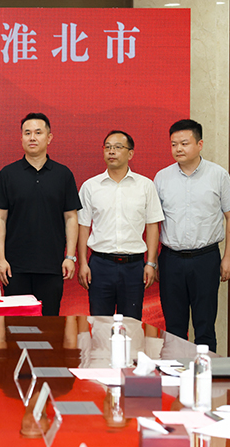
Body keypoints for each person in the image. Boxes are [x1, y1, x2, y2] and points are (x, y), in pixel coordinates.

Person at [154, 119, 230, 352]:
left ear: (199, 144)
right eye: (173, 144)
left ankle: (206, 372)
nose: (178, 149)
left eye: (184, 143)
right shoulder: (162, 177)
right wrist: (153, 261)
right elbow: (153, 222)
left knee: (205, 326)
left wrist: (228, 257)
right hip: (171, 259)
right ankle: (175, 372)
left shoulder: (218, 175)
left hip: (206, 259)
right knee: (174, 328)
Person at [0, 113, 81, 316]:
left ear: (49, 138)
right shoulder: (8, 174)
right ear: (21, 137)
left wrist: (70, 257)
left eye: (38, 133)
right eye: (27, 133)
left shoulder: (63, 174)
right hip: (15, 267)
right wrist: (0, 259)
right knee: (15, 325)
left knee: (49, 323)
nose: (32, 138)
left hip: (52, 266)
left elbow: (71, 218)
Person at [77, 130, 164, 320]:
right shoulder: (90, 186)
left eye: (117, 147)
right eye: (107, 147)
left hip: (133, 267)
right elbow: (83, 227)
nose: (111, 151)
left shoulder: (145, 186)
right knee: (100, 324)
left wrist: (151, 263)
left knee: (131, 325)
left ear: (130, 153)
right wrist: (83, 263)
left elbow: (152, 226)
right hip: (100, 265)